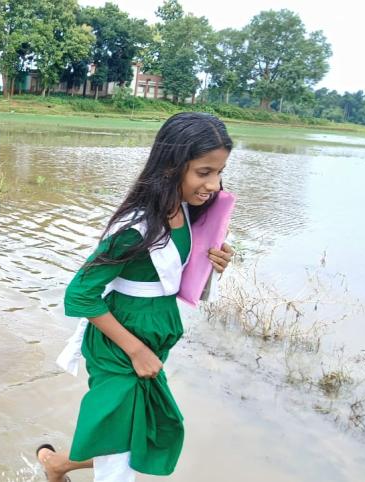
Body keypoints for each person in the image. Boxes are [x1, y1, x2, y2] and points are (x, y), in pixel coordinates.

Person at [36, 112, 236, 482]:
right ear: (172, 166)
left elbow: (177, 276)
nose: (213, 184)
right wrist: (136, 350)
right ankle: (58, 465)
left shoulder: (187, 212)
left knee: (144, 434)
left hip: (153, 338)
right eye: (204, 172)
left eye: (219, 172)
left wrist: (215, 263)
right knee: (120, 455)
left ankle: (57, 464)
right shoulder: (137, 227)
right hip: (120, 345)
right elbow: (80, 294)